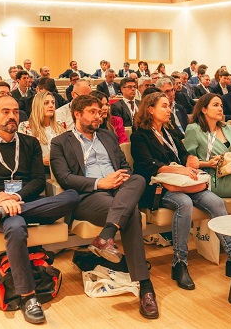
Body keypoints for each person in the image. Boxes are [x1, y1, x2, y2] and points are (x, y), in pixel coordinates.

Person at [0, 95, 79, 325]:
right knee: (16, 228)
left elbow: (37, 181)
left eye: (16, 111)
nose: (12, 116)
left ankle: (5, 213)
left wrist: (15, 198)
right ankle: (28, 297)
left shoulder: (30, 143)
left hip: (27, 203)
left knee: (73, 196)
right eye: (6, 112)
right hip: (2, 209)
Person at [49, 94, 158, 319]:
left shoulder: (108, 137)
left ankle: (106, 235)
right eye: (92, 112)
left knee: (137, 179)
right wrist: (100, 182)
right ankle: (145, 286)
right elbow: (64, 178)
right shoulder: (61, 142)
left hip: (119, 190)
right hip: (89, 195)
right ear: (77, 114)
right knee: (133, 214)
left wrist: (119, 178)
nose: (98, 116)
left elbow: (126, 166)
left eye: (99, 112)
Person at [130, 91, 231, 289]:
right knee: (184, 203)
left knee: (216, 202)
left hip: (183, 181)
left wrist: (189, 159)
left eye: (169, 106)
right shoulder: (139, 135)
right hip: (159, 187)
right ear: (150, 109)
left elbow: (183, 153)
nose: (169, 109)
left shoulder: (169, 133)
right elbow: (149, 164)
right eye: (164, 106)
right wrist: (181, 169)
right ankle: (180, 263)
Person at [184, 93, 231, 205]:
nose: (220, 109)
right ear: (204, 109)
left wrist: (229, 157)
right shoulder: (194, 129)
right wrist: (207, 164)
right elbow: (188, 161)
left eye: (221, 106)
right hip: (214, 179)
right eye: (215, 105)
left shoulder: (228, 128)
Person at [18, 91, 66, 173]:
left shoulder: (61, 124)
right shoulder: (25, 127)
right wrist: (41, 160)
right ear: (38, 106)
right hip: (37, 170)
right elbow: (23, 156)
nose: (51, 105)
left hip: (60, 168)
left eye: (53, 103)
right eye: (46, 103)